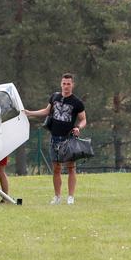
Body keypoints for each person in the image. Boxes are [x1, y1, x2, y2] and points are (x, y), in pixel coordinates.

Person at [24, 73, 87, 205]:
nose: (66, 86)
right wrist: (29, 112)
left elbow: (83, 119)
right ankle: (57, 197)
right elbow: (46, 111)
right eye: (64, 83)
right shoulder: (55, 97)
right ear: (61, 84)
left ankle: (70, 197)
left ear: (72, 85)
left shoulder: (77, 102)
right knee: (56, 168)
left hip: (68, 139)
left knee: (71, 167)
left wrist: (78, 128)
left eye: (68, 84)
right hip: (54, 138)